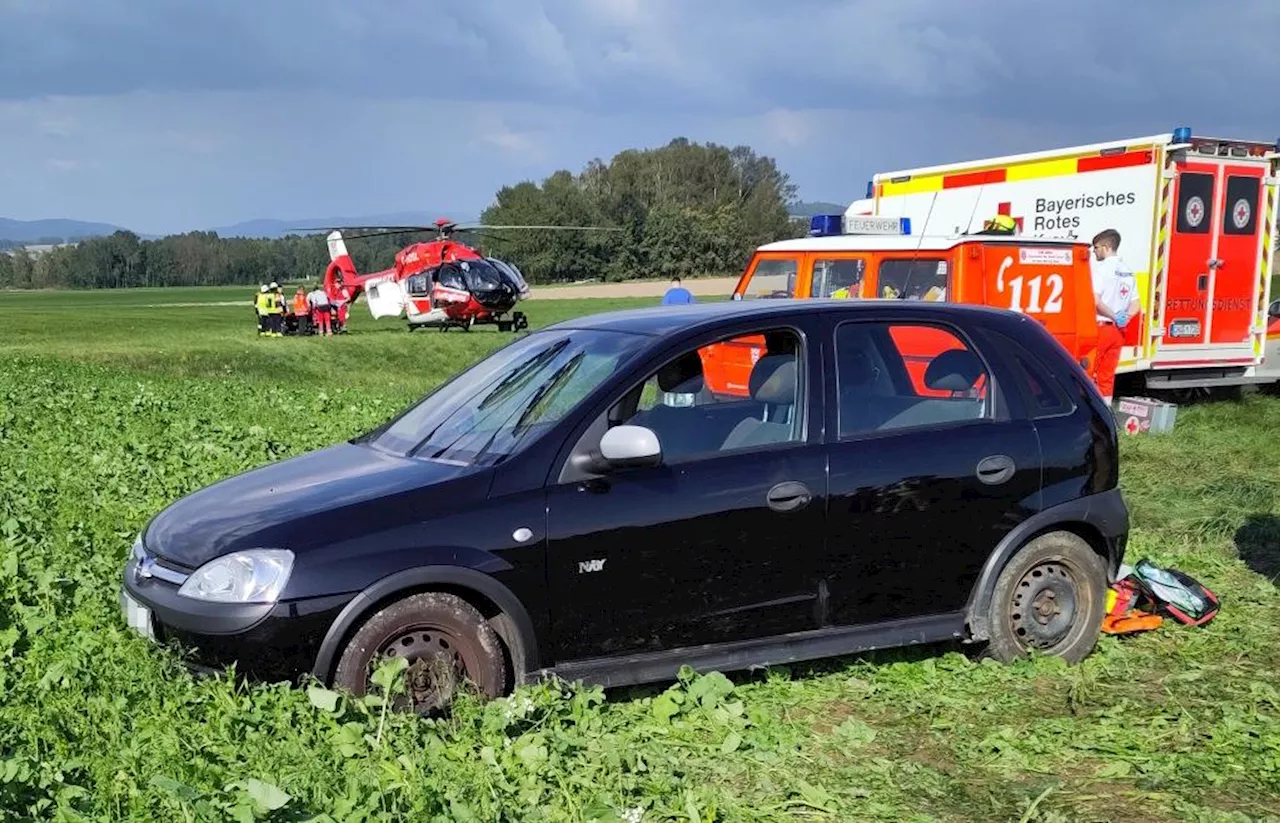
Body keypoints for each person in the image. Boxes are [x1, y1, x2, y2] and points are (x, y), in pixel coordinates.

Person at [1089, 228, 1140, 406]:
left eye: (1096, 247)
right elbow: (1136, 304)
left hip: (1101, 327)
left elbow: (1095, 300)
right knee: (1107, 375)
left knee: (1088, 372)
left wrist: (1112, 314)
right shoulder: (1127, 271)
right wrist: (1124, 317)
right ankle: (1106, 411)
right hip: (1118, 332)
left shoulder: (1102, 269)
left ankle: (1088, 413)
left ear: (1106, 247)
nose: (1094, 251)